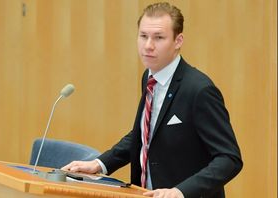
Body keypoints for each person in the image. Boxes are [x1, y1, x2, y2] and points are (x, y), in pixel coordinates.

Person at [62, 2, 243, 198]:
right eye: (143, 36)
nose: (148, 46)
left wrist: (180, 192)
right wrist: (100, 164)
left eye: (158, 38)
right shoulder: (149, 77)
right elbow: (145, 133)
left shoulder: (199, 90)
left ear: (178, 40)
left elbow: (229, 159)